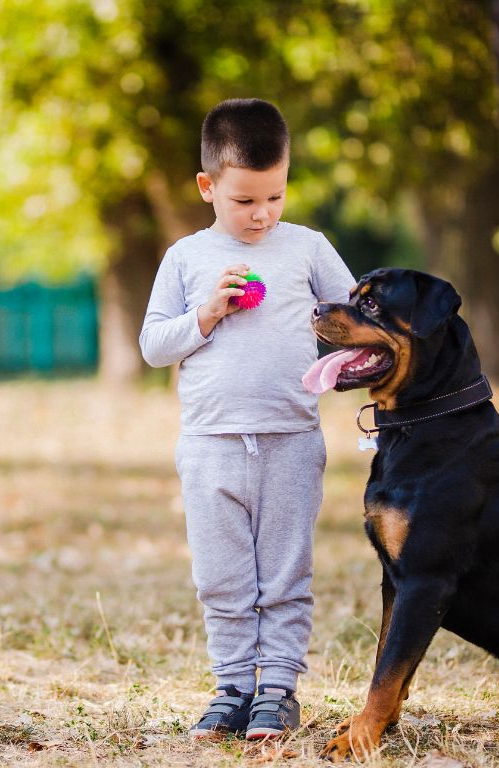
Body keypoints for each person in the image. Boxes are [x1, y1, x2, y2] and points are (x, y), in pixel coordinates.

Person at [138, 98, 357, 741]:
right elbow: (154, 346)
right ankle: (232, 686)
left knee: (285, 572)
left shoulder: (307, 248)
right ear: (208, 187)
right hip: (210, 443)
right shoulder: (185, 258)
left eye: (275, 197)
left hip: (291, 438)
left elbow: (353, 316)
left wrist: (346, 364)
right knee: (222, 576)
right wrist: (205, 316)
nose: (262, 214)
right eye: (244, 201)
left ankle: (278, 689)